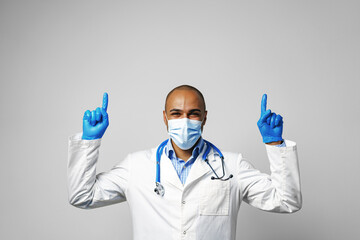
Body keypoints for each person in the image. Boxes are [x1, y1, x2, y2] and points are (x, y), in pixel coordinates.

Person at [67, 85, 302, 240]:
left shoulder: (232, 166)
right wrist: (90, 141)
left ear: (204, 118)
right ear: (165, 117)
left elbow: (287, 201)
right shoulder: (136, 166)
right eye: (177, 113)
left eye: (193, 113)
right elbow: (82, 196)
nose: (185, 120)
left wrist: (274, 144)